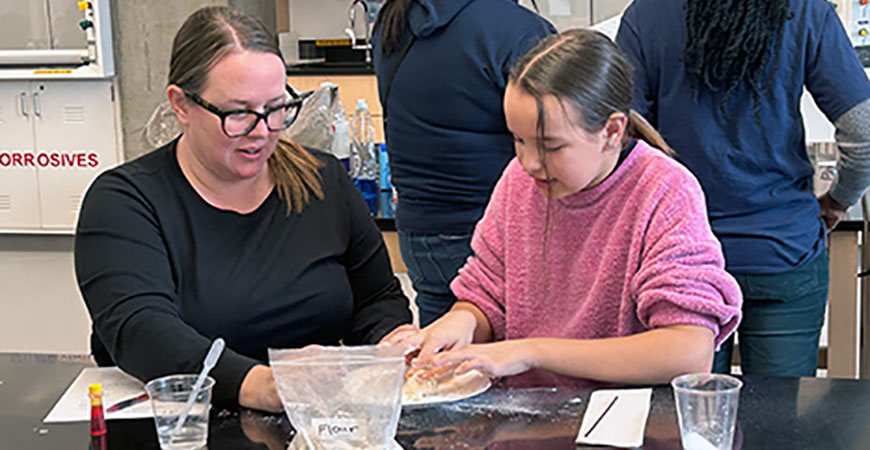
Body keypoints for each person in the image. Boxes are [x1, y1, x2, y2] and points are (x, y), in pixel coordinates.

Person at [75, 6, 411, 412]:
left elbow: (377, 298)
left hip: (316, 418)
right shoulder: (126, 202)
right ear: (181, 104)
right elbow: (141, 330)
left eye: (275, 109)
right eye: (238, 114)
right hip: (189, 425)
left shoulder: (322, 181)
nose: (262, 132)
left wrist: (392, 345)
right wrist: (264, 384)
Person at [383, 29, 742, 384]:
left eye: (550, 146)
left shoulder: (663, 190)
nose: (529, 162)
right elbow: (486, 293)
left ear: (613, 132)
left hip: (620, 424)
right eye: (518, 140)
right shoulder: (518, 181)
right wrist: (460, 321)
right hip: (526, 422)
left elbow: (688, 352)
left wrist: (528, 351)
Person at [616, 0, 870, 376]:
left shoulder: (646, 14)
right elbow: (863, 132)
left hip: (682, 256)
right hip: (784, 250)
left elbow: (622, 138)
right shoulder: (805, 11)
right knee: (778, 421)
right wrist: (837, 201)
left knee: (689, 422)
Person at [372, 0, 556, 326]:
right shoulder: (517, 29)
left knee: (444, 358)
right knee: (514, 356)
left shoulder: (393, 19)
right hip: (492, 230)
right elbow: (554, 132)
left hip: (418, 230)